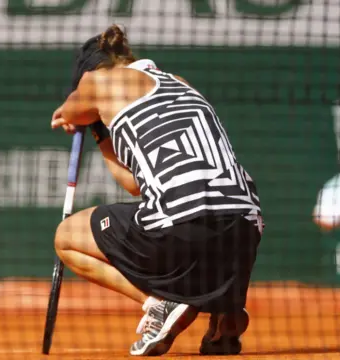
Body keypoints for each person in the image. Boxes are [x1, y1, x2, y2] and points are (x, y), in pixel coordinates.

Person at [50, 24, 264, 356]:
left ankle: (159, 303)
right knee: (191, 216)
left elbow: (68, 111)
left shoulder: (96, 81)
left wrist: (77, 117)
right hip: (245, 232)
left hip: (183, 228)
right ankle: (225, 309)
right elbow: (134, 184)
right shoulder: (180, 83)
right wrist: (100, 133)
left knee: (66, 237)